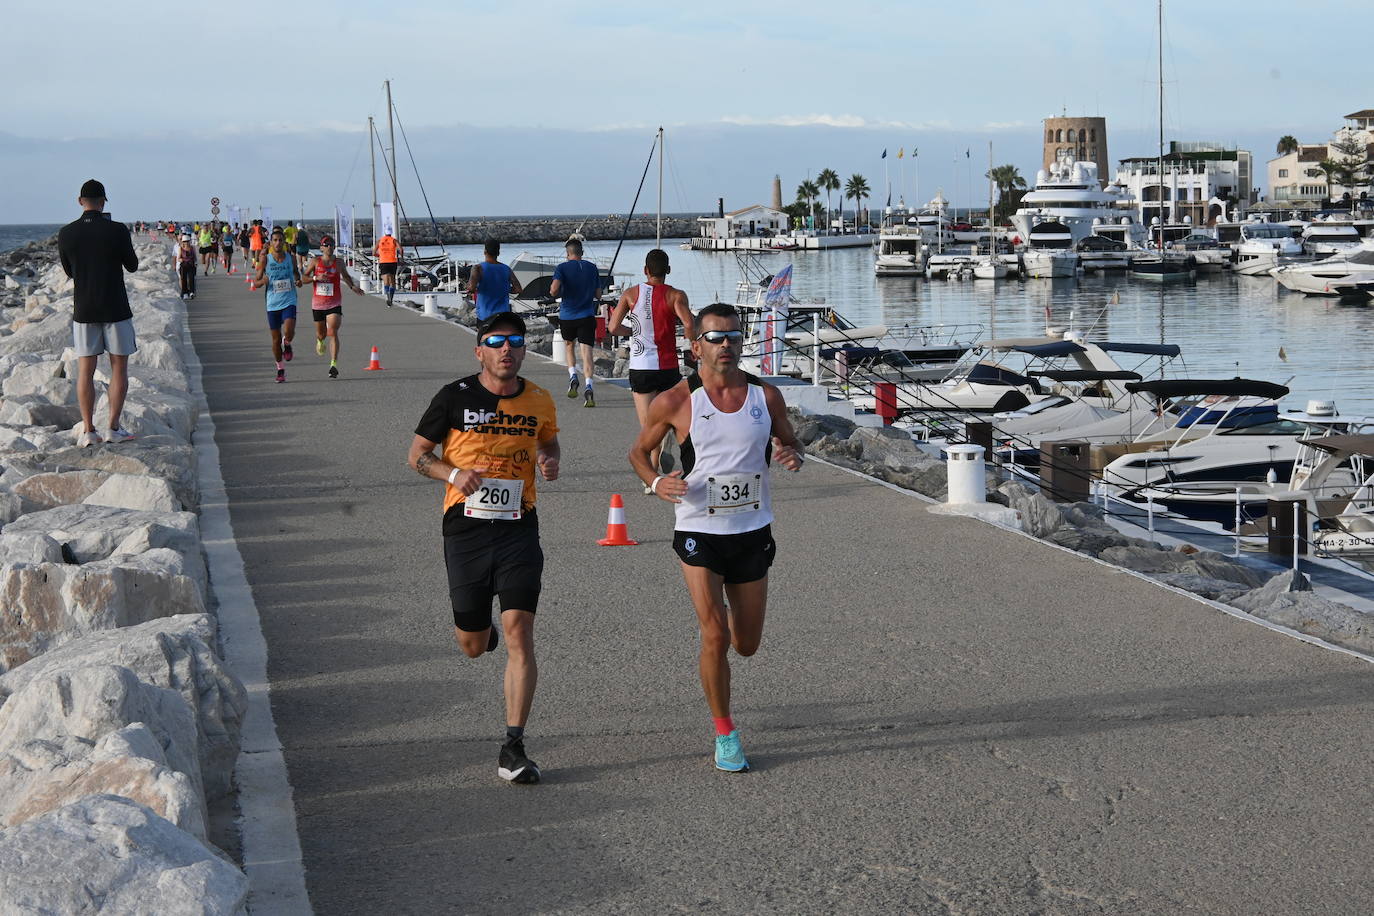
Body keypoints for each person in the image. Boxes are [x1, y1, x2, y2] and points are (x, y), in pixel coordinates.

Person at [628, 302, 803, 773]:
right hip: (698, 530)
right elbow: (639, 453)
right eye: (716, 337)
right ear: (696, 346)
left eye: (733, 337)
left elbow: (790, 442)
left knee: (746, 644)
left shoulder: (766, 397)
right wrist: (655, 482)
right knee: (715, 634)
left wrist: (790, 453)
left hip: (751, 530)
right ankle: (725, 732)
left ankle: (727, 640)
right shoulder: (676, 401)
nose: (726, 345)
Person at [407, 311, 561, 784]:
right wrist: (454, 474)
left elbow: (549, 444)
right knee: (473, 644)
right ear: (480, 351)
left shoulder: (538, 399)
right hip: (466, 529)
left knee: (520, 632)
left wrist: (549, 461)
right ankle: (482, 632)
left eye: (515, 342)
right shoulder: (453, 398)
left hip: (519, 528)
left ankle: (513, 745)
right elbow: (417, 456)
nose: (507, 349)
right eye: (496, 342)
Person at [57, 179, 140, 448]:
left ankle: (89, 430)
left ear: (80, 201)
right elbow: (133, 266)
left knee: (86, 370)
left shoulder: (66, 233)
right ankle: (113, 428)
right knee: (119, 368)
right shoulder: (117, 230)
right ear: (104, 201)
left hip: (84, 309)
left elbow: (70, 271)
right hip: (115, 307)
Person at [607, 248, 694, 475]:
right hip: (668, 367)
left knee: (648, 426)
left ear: (645, 270)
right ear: (668, 270)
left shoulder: (630, 294)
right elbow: (688, 323)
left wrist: (633, 331)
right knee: (670, 416)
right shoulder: (676, 295)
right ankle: (665, 448)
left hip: (641, 367)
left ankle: (652, 474)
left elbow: (613, 328)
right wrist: (693, 346)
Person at [548, 238, 602, 408]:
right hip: (586, 316)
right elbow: (599, 295)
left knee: (569, 346)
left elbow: (554, 290)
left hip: (567, 316)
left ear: (567, 254)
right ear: (582, 252)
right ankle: (589, 386)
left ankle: (573, 376)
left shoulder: (562, 268)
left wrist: (556, 291)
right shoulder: (592, 268)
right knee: (587, 353)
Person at [302, 234, 362, 379]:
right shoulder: (315, 261)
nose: (329, 247)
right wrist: (316, 278)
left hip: (334, 303)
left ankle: (333, 364)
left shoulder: (339, 262)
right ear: (321, 248)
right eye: (326, 245)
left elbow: (346, 276)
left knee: (332, 331)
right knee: (322, 334)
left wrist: (353, 287)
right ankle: (320, 340)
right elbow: (304, 278)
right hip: (318, 304)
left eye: (331, 244)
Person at [249, 225, 301, 383]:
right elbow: (255, 282)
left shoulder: (291, 258)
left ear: (285, 242)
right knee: (275, 340)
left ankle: (288, 341)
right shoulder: (265, 259)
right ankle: (280, 369)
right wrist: (262, 281)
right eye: (275, 240)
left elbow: (296, 273)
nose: (278, 243)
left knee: (289, 330)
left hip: (289, 299)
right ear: (271, 243)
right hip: (272, 303)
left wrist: (298, 280)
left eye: (280, 240)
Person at [468, 240, 522, 321]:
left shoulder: (477, 268)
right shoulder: (507, 269)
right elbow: (518, 289)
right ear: (498, 253)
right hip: (503, 315)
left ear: (484, 252)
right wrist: (504, 288)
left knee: (482, 333)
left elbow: (471, 288)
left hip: (485, 316)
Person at [374, 229, 400, 306]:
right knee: (392, 281)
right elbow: (401, 249)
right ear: (391, 233)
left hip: (383, 262)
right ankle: (391, 299)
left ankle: (388, 297)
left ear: (384, 233)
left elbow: (373, 252)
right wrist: (400, 257)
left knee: (386, 282)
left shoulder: (379, 241)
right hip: (392, 262)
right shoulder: (394, 240)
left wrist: (380, 256)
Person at [176, 234, 197, 300]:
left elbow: (195, 257)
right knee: (183, 279)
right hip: (183, 265)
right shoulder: (181, 248)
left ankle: (191, 292)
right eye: (185, 241)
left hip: (191, 265)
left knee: (191, 279)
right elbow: (178, 258)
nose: (186, 243)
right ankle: (185, 293)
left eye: (187, 241)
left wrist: (195, 263)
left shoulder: (192, 248)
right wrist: (181, 260)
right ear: (183, 242)